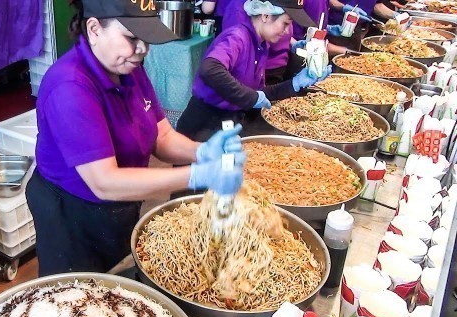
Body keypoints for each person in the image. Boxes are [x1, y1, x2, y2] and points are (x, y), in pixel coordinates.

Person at [26, 0, 245, 276]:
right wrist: (197, 176)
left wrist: (202, 152)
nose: (142, 50)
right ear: (94, 29)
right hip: (73, 216)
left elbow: (161, 135)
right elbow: (105, 182)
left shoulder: (129, 67)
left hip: (118, 205)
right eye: (131, 38)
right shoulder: (69, 86)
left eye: (146, 39)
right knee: (77, 299)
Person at [175, 0, 332, 142]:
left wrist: (295, 84)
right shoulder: (238, 37)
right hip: (203, 125)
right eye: (285, 24)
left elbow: (260, 94)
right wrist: (251, 97)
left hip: (229, 121)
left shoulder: (261, 45)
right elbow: (210, 69)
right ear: (265, 16)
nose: (287, 31)